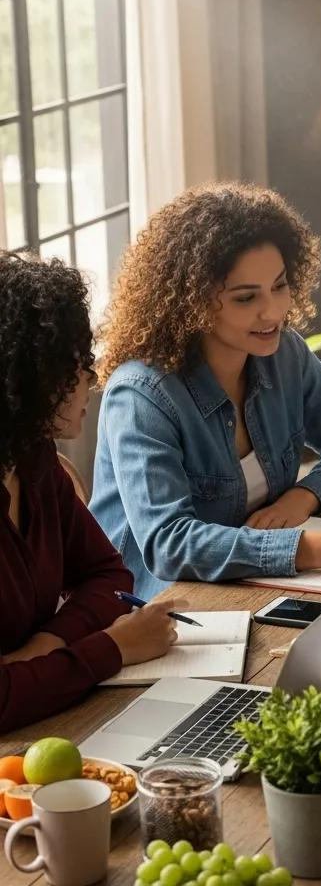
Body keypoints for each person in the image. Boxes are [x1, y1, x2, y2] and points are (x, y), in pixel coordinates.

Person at [91, 182, 321, 599]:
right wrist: (318, 547)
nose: (273, 312)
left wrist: (304, 496)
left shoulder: (284, 354)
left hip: (255, 588)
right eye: (246, 298)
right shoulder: (142, 395)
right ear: (192, 302)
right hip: (161, 610)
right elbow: (168, 544)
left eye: (279, 286)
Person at [0, 253, 178, 732]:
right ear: (23, 378)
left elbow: (108, 576)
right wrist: (115, 647)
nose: (90, 379)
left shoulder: (33, 460)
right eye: (75, 364)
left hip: (49, 717)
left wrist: (48, 645)